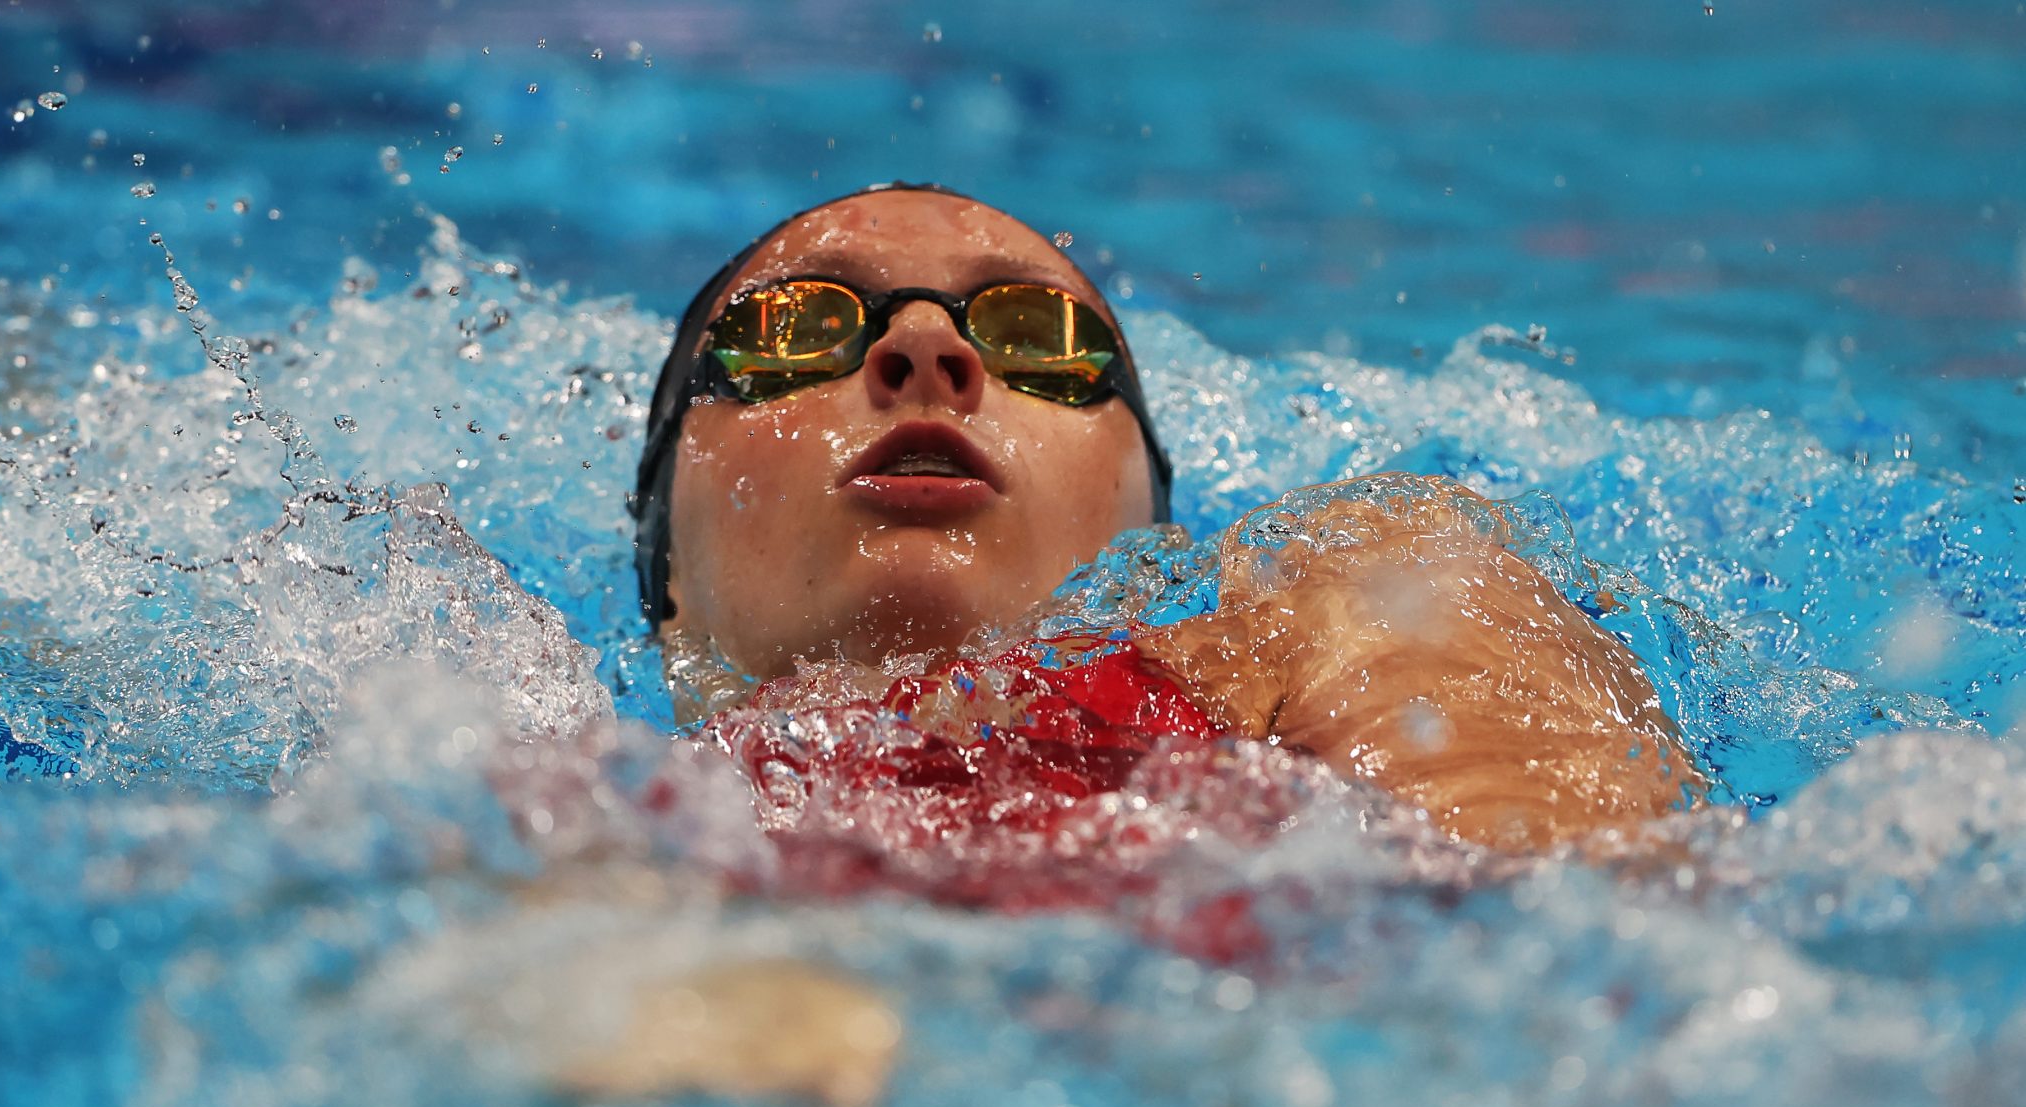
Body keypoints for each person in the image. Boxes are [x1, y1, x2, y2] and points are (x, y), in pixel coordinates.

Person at [629, 182, 1704, 855]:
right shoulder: (546, 784)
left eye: (1040, 337)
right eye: (791, 330)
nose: (920, 350)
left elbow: (1568, 914)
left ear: (1148, 524)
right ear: (663, 572)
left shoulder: (1350, 593)